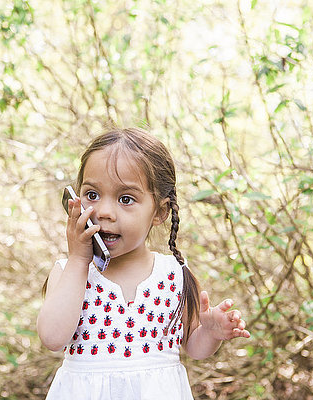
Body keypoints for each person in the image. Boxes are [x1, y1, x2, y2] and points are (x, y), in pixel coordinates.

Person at [37, 127, 250, 399]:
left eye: (126, 199)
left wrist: (209, 332)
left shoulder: (174, 274)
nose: (103, 211)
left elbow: (193, 348)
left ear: (160, 211)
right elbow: (53, 338)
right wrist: (80, 258)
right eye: (92, 195)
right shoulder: (68, 272)